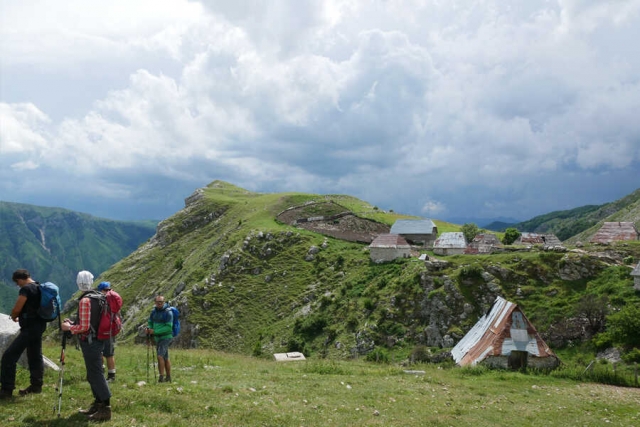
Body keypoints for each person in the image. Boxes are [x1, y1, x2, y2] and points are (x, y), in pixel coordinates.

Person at [61, 270, 112, 421]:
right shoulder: (99, 296)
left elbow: (84, 327)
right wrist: (73, 323)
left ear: (78, 283)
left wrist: (68, 327)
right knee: (93, 373)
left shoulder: (85, 300)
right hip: (98, 339)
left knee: (95, 373)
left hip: (90, 342)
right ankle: (98, 404)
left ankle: (105, 408)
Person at [0, 269, 47, 399]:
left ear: (20, 279)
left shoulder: (26, 289)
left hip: (30, 328)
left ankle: (6, 390)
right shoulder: (39, 286)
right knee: (35, 355)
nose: (18, 285)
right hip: (40, 325)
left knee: (9, 356)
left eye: (17, 283)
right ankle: (36, 385)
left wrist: (14, 316)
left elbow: (17, 308)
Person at [147, 295, 173, 383]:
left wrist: (154, 331)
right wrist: (149, 328)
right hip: (158, 337)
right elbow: (150, 322)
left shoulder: (168, 312)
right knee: (165, 357)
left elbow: (169, 328)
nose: (159, 304)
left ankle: (161, 377)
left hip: (166, 337)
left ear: (164, 302)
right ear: (155, 302)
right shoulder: (154, 312)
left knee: (160, 356)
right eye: (158, 302)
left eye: (161, 302)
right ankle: (168, 377)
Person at [97, 282, 116, 382]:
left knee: (101, 352)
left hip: (101, 330)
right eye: (106, 290)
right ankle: (111, 375)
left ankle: (103, 372)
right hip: (110, 330)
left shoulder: (99, 300)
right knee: (109, 353)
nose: (107, 292)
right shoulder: (113, 300)